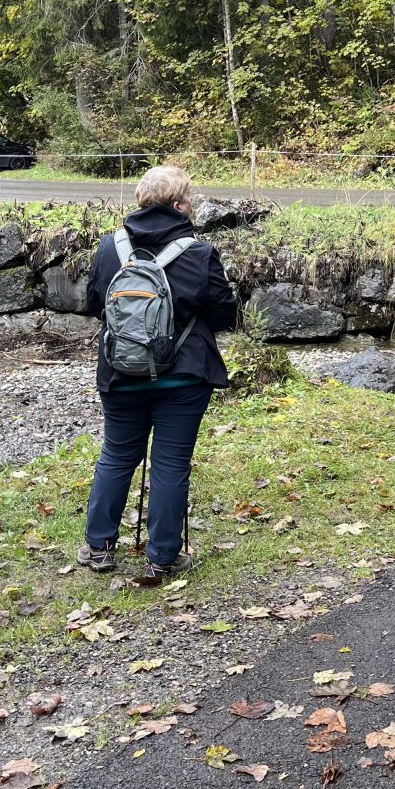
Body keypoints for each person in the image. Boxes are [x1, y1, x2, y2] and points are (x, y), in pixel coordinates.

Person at [80, 165, 237, 585]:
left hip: (120, 373)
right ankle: (162, 559)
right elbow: (225, 314)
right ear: (178, 204)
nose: (193, 204)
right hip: (183, 378)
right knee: (170, 464)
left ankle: (98, 547)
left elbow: (96, 305)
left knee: (116, 456)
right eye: (190, 199)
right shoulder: (199, 253)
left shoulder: (108, 248)